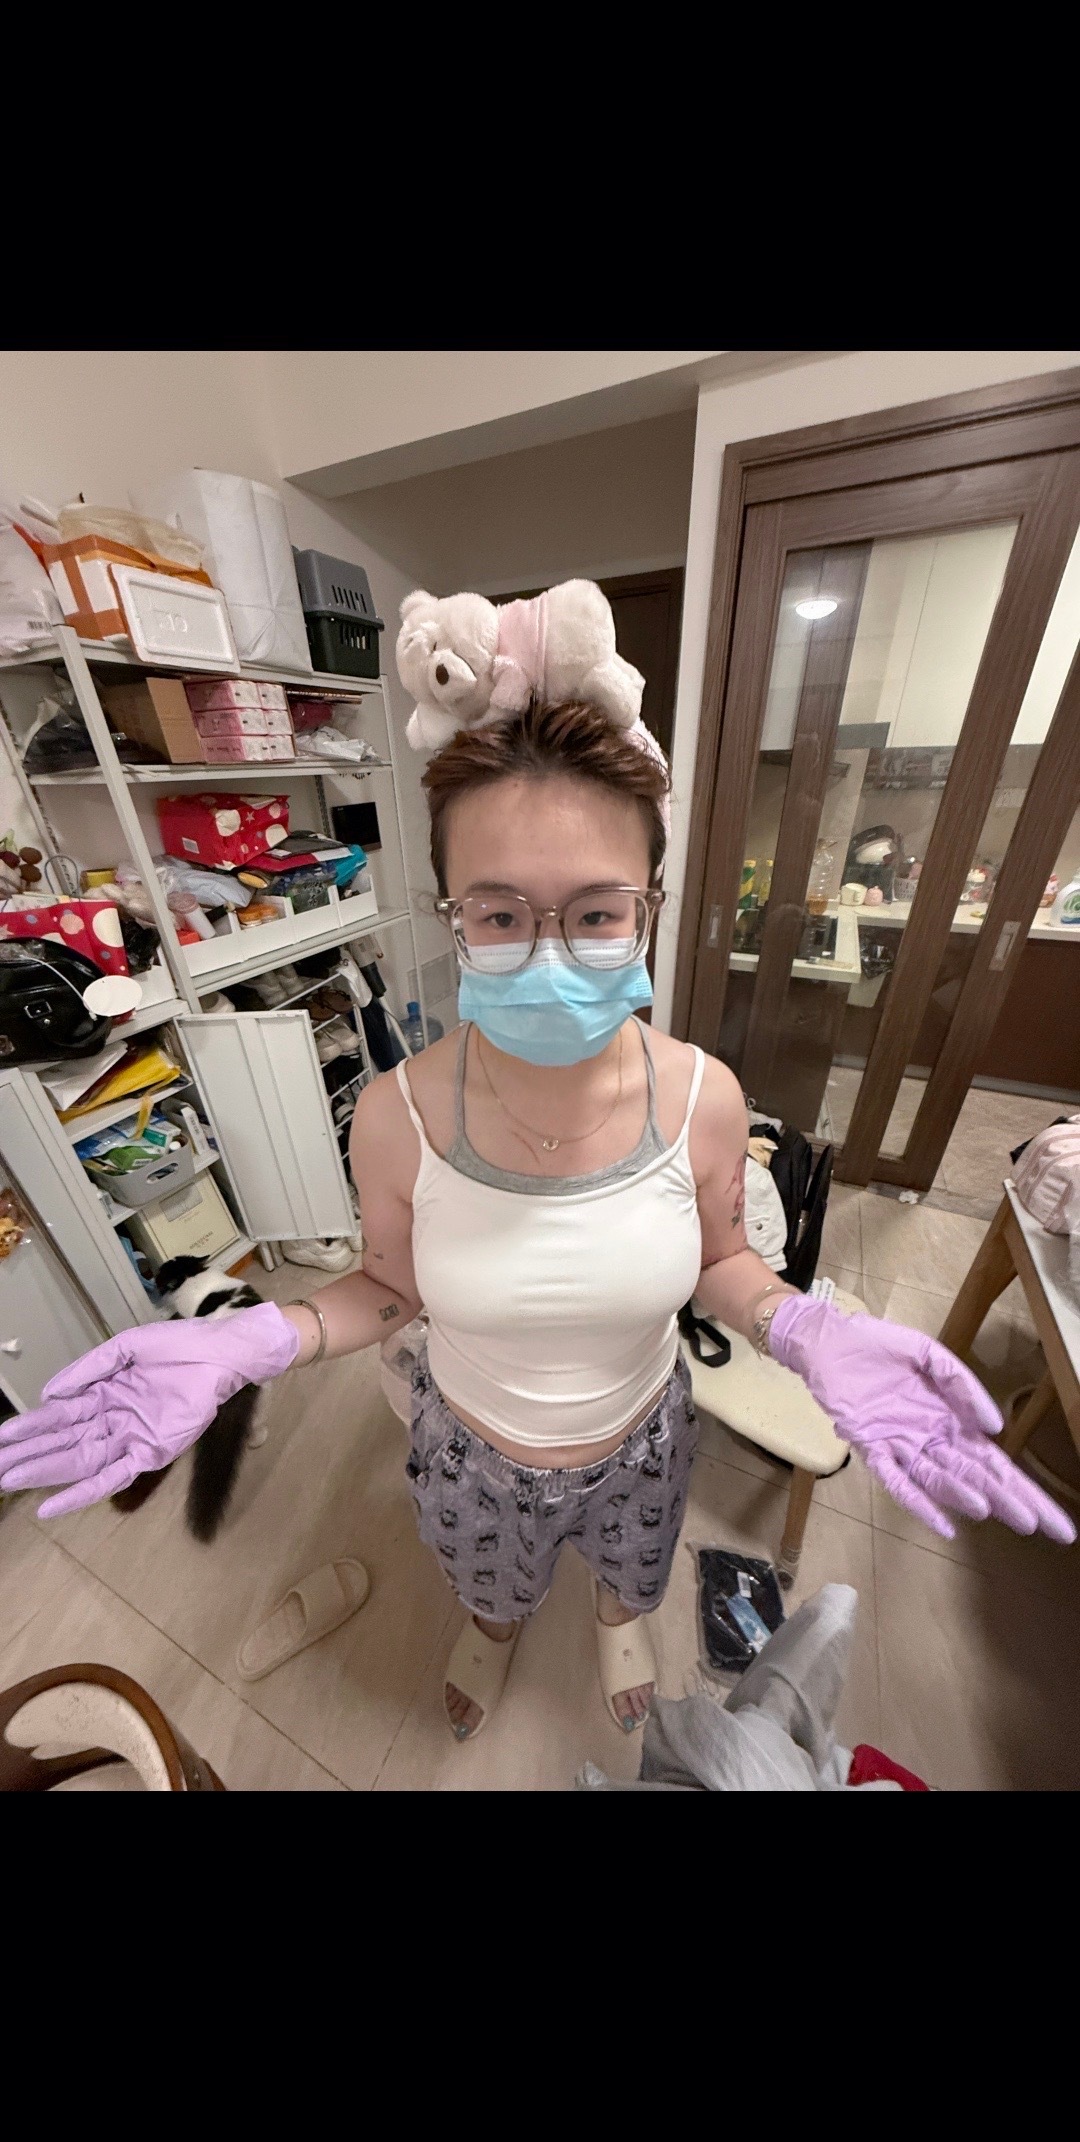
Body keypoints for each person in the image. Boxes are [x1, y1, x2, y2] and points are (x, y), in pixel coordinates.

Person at [2, 704, 1073, 1746]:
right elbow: (389, 1287)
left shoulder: (702, 1097)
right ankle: (494, 1631)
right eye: (501, 914)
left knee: (632, 1576)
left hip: (646, 1438)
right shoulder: (396, 1115)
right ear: (452, 915)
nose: (550, 952)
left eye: (597, 912)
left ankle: (617, 1625)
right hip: (469, 1451)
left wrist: (801, 1327)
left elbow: (721, 1260)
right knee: (489, 1586)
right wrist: (252, 1340)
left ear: (649, 909)